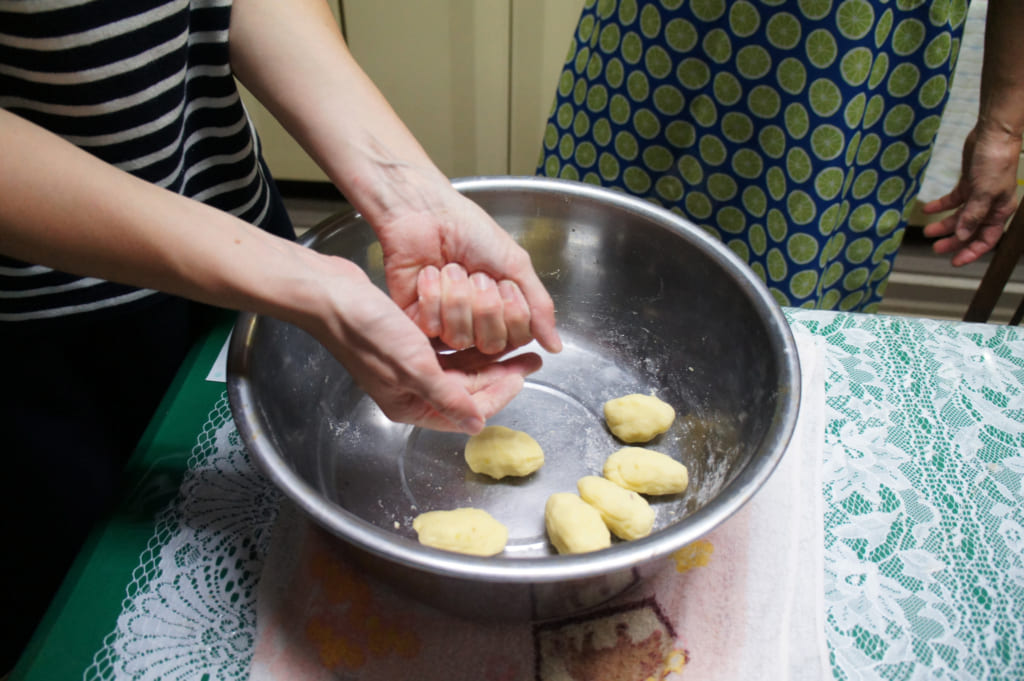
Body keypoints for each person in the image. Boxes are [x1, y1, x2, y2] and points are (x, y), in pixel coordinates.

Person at [0, 0, 561, 670]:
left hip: (237, 252)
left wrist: (406, 193)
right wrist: (310, 285)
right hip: (38, 338)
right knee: (79, 597)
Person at [537, 0, 1024, 313]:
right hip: (656, 31)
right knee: (579, 267)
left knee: (781, 307)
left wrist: (1003, 128)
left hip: (845, 64)